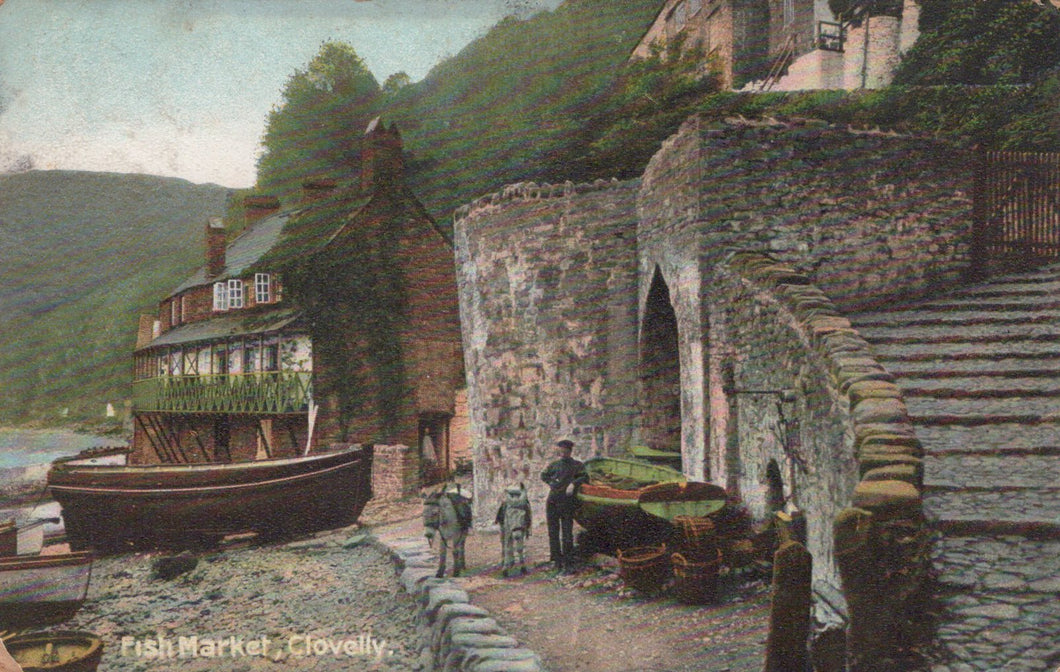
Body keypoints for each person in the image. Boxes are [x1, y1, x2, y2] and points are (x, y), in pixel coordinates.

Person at [539, 439, 586, 572]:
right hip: (552, 501)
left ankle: (568, 561)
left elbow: (584, 477)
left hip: (567, 502)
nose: (563, 453)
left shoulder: (577, 465)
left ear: (570, 451)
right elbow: (543, 475)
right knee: (553, 531)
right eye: (561, 451)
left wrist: (573, 484)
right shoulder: (554, 465)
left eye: (565, 451)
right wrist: (552, 482)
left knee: (567, 532)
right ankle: (556, 559)